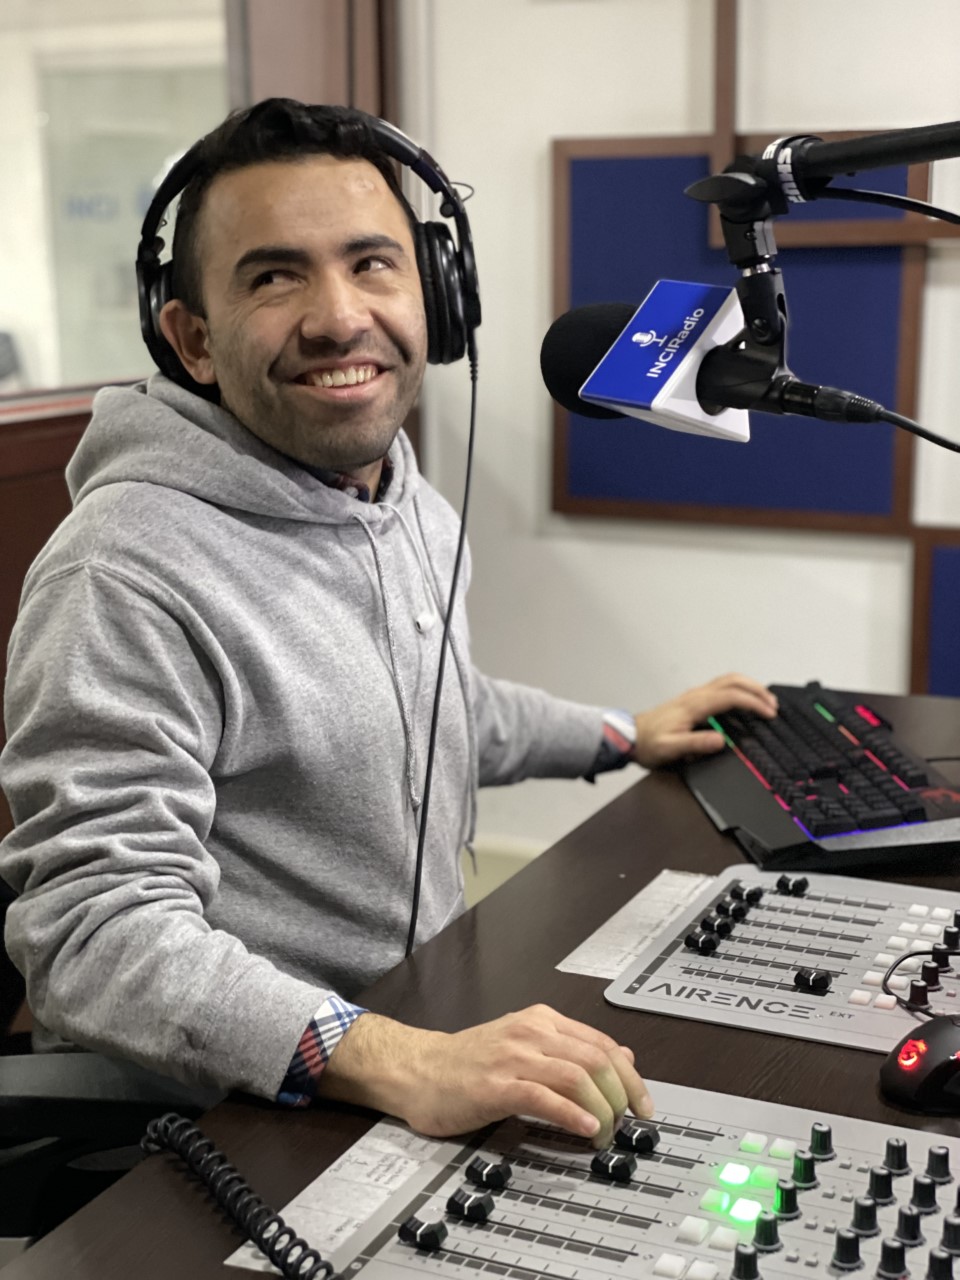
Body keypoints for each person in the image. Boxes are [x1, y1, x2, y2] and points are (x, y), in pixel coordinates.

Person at [0, 100, 777, 1149]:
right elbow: (96, 938)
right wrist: (401, 1056)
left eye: (373, 263)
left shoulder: (399, 496)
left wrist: (619, 732)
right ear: (191, 338)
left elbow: (432, 703)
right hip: (223, 1104)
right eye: (273, 276)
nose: (336, 316)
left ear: (437, 299)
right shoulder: (124, 570)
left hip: (401, 1029)